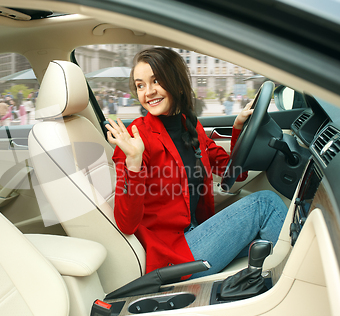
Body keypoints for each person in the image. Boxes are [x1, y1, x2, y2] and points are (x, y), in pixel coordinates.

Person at [105, 47, 287, 278]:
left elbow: (235, 173)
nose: (148, 92)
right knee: (267, 204)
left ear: (177, 83)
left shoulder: (190, 126)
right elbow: (126, 223)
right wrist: (133, 161)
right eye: (140, 85)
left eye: (156, 81)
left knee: (269, 241)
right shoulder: (137, 137)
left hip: (196, 233)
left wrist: (239, 126)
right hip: (173, 255)